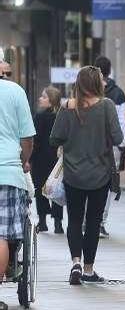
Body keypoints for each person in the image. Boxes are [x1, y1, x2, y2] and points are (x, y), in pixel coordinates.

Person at [50, 66, 124, 285]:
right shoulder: (107, 106)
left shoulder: (67, 107)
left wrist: (71, 142)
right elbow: (118, 137)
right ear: (95, 83)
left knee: (73, 218)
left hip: (73, 174)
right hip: (100, 174)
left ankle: (75, 263)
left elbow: (54, 138)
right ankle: (89, 270)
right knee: (93, 221)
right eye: (101, 79)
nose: (104, 82)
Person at [0, 74, 35, 310]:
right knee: (2, 235)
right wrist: (23, 161)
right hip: (8, 171)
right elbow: (27, 137)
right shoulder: (15, 91)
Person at [95, 55, 125, 238]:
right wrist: (122, 144)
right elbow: (122, 122)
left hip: (90, 143)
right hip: (111, 145)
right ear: (109, 70)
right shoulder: (118, 93)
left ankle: (87, 219)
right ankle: (100, 222)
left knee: (89, 179)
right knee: (107, 184)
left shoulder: (87, 91)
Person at [31, 86, 64, 234]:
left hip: (40, 159)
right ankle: (58, 224)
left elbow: (35, 140)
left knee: (40, 190)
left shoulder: (39, 116)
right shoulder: (61, 116)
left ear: (51, 101)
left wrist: (29, 158)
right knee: (57, 189)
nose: (40, 99)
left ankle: (43, 221)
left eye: (44, 97)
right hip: (56, 160)